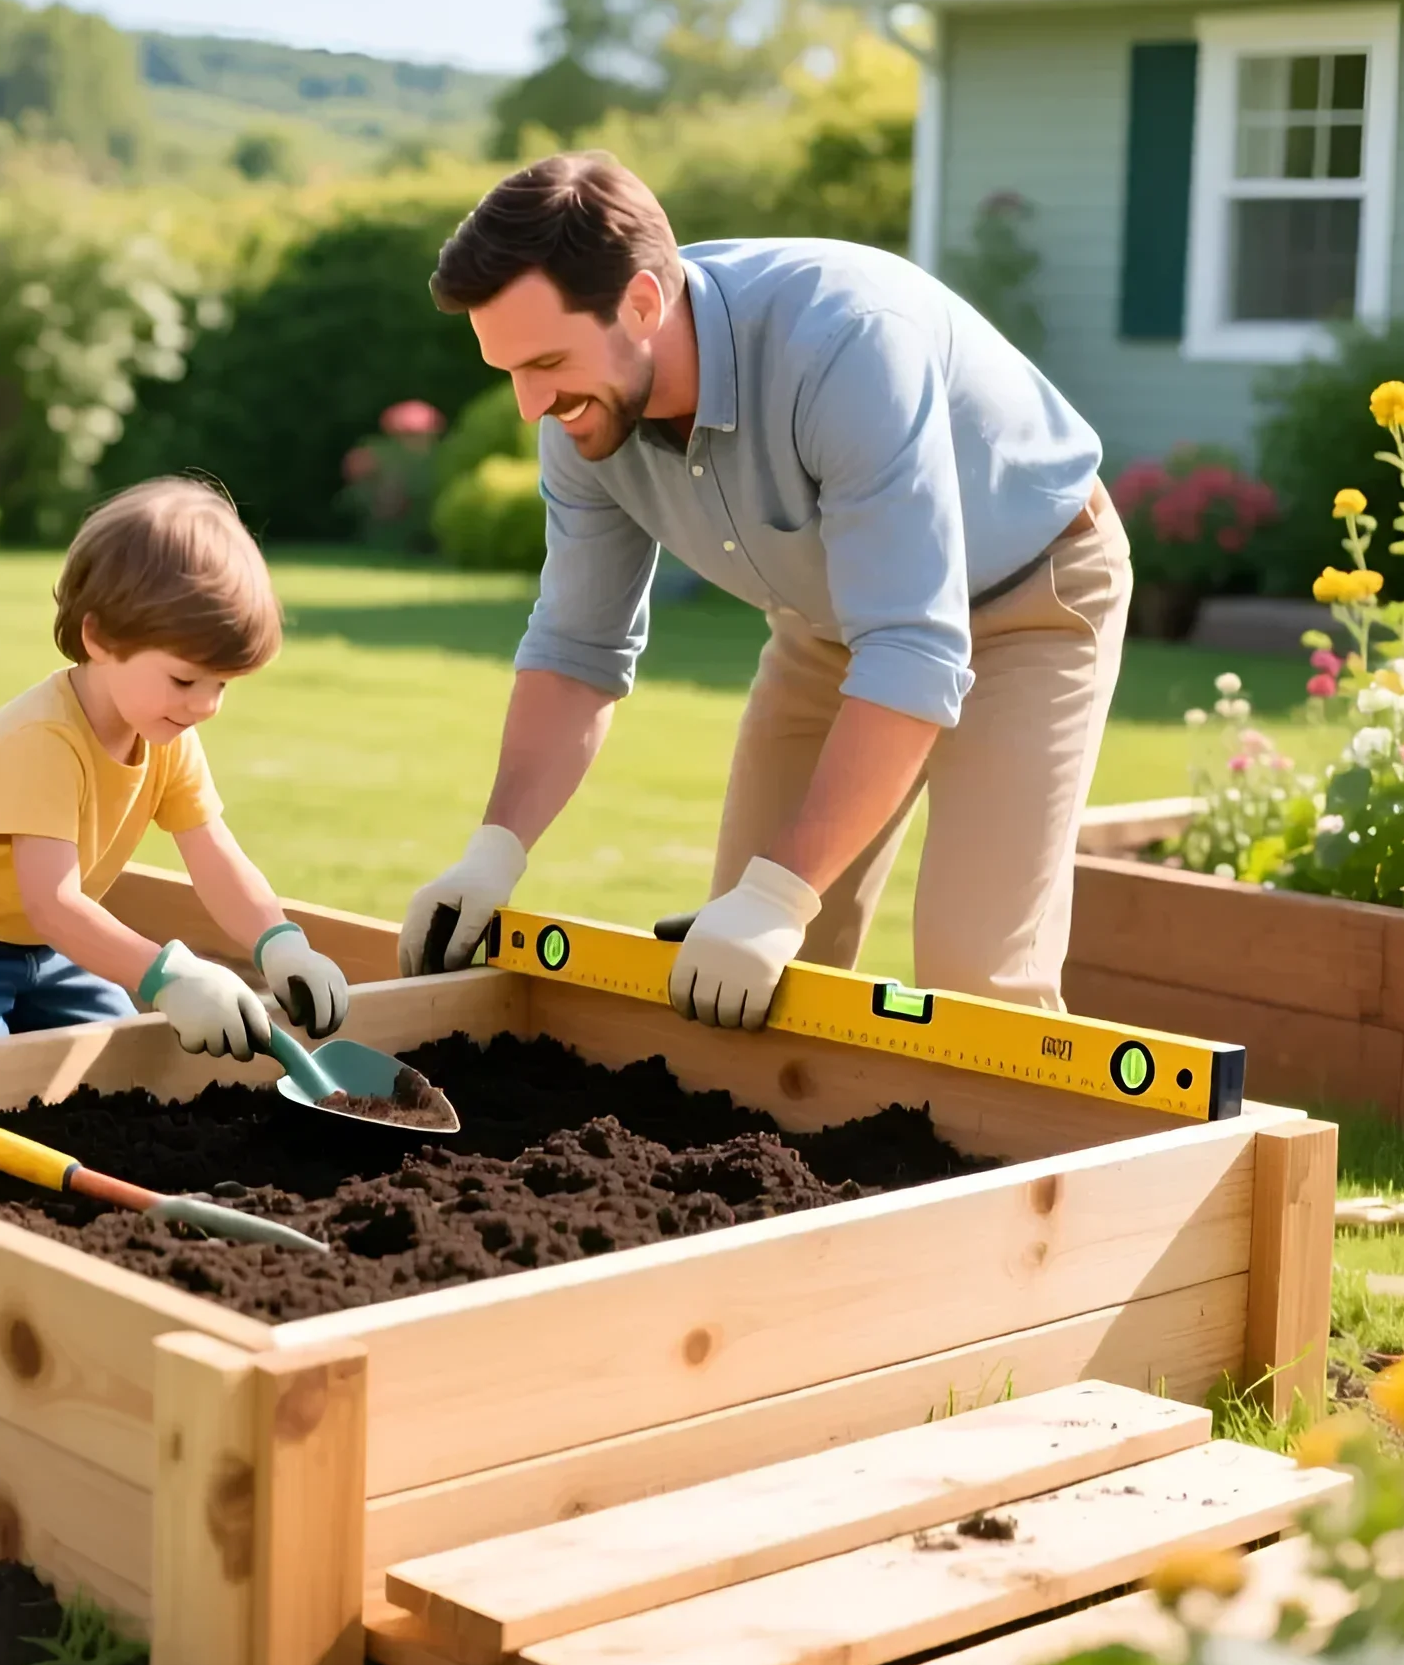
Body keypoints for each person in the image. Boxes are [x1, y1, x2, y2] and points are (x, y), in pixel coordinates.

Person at [400, 153, 1129, 1024]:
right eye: (510, 370)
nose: (529, 406)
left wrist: (781, 895)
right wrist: (494, 852)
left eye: (547, 361)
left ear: (640, 303)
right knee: (739, 980)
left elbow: (913, 651)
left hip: (1029, 601)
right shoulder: (582, 412)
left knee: (974, 975)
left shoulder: (847, 341)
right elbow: (577, 649)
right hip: (827, 627)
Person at [0, 478, 350, 1063]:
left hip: (47, 944)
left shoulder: (165, 732)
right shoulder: (43, 740)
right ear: (100, 637)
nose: (205, 706)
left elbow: (215, 857)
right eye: (186, 680)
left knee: (115, 1069)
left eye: (222, 685)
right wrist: (173, 976)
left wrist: (280, 942)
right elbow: (54, 903)